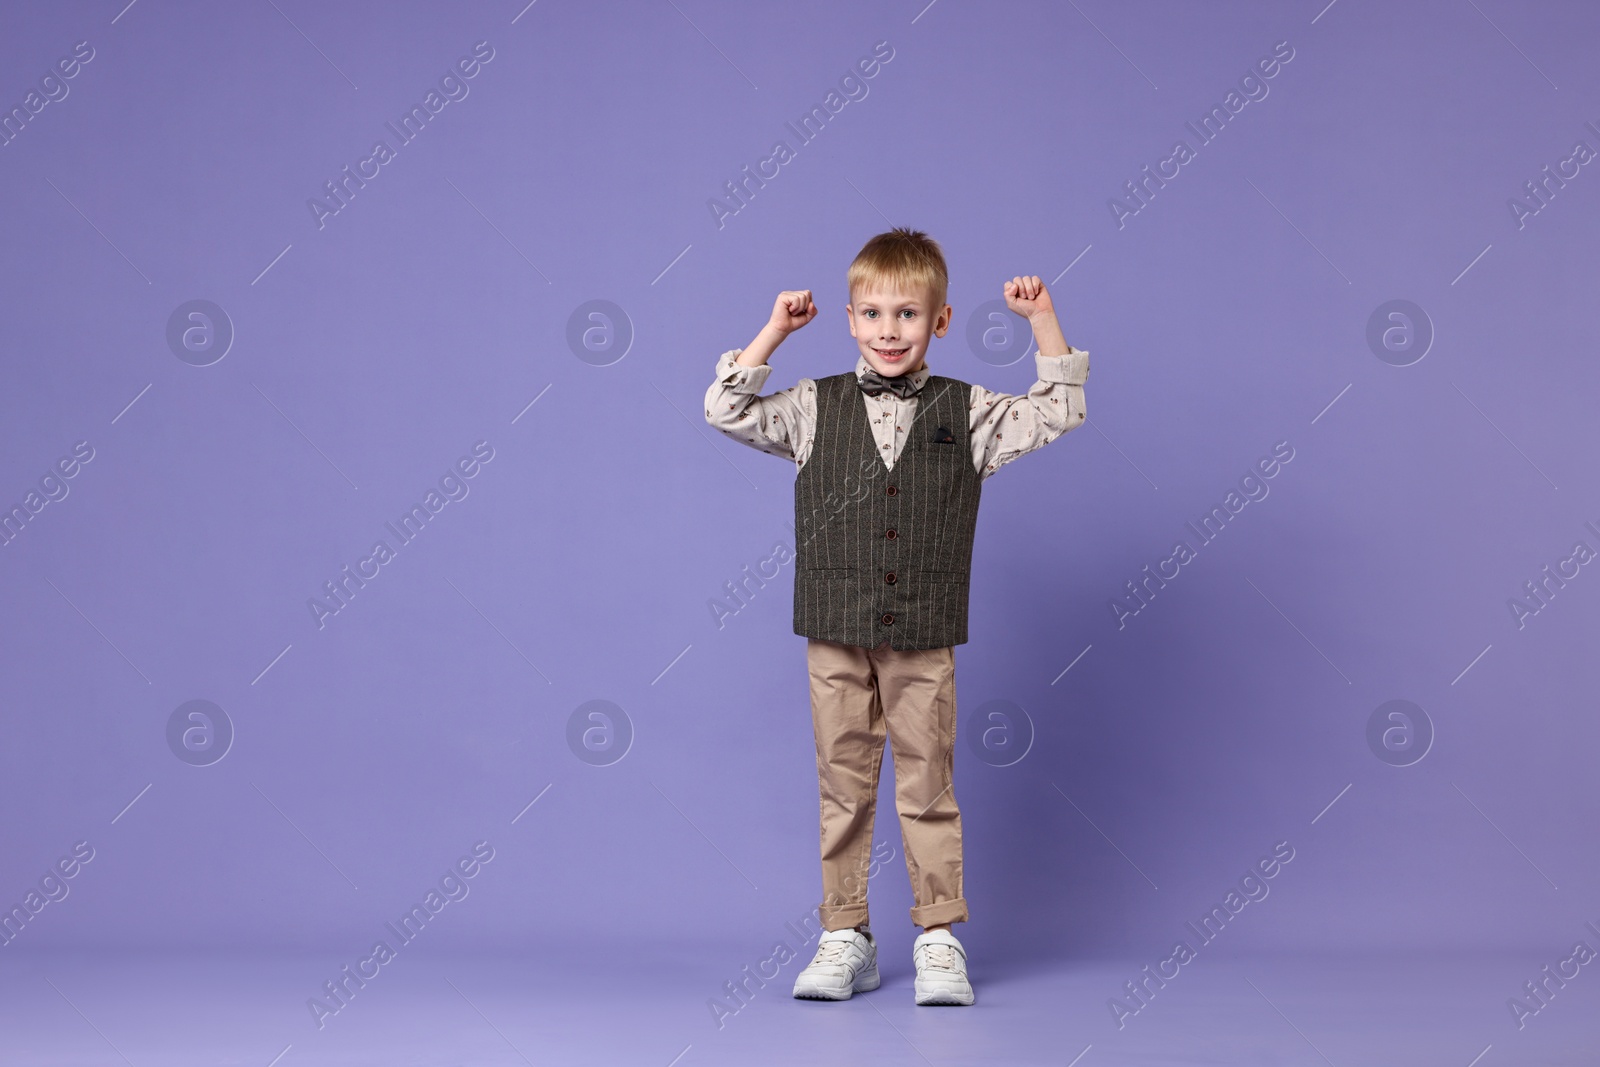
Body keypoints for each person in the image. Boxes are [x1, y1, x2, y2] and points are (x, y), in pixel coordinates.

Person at [702, 227, 1091, 1006]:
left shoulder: (968, 411)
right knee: (842, 784)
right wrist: (775, 329)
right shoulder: (815, 406)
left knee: (927, 784)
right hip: (834, 630)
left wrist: (1043, 320)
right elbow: (724, 408)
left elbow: (1058, 410)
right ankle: (845, 931)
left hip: (924, 634)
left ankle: (939, 934)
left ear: (940, 323)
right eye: (873, 314)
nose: (889, 330)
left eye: (908, 314)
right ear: (849, 319)